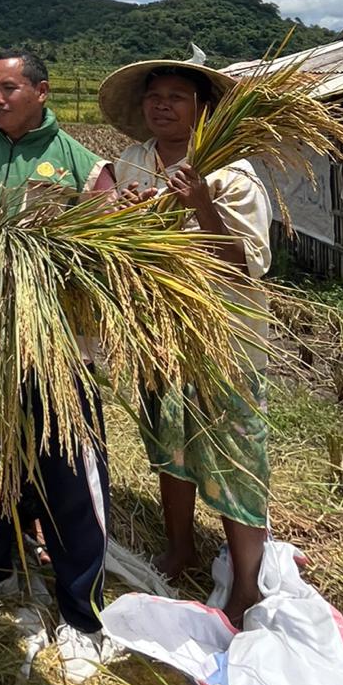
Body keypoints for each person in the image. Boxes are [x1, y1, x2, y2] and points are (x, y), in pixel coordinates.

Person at [0, 49, 116, 675]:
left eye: (8, 88)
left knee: (68, 469)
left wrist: (36, 256)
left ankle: (82, 616)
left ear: (41, 91)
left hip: (55, 343)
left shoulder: (79, 161)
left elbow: (104, 251)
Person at [100, 59, 272, 628]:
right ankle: (180, 548)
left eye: (177, 96)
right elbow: (117, 246)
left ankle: (247, 583)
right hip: (158, 332)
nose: (163, 105)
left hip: (223, 336)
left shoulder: (231, 173)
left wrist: (200, 204)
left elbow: (244, 266)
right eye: (156, 96)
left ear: (202, 110)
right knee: (170, 442)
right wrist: (118, 220)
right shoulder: (133, 161)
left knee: (233, 453)